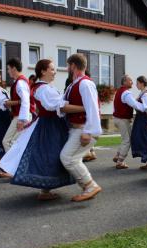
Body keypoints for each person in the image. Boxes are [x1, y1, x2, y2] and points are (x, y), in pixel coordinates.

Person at [0, 59, 85, 200]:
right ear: (43, 71)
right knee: (49, 155)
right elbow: (57, 106)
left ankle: (46, 189)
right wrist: (85, 107)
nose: (55, 71)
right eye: (51, 69)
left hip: (51, 123)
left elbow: (46, 106)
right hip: (50, 125)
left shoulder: (45, 87)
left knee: (51, 155)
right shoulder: (43, 88)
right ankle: (48, 189)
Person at [60, 53, 102, 202]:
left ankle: (90, 186)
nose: (67, 69)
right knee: (71, 158)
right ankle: (87, 186)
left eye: (68, 66)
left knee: (68, 158)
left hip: (83, 128)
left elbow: (93, 108)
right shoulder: (74, 84)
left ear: (73, 66)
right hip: (76, 128)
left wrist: (87, 132)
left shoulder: (85, 83)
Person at [2, 58, 35, 153]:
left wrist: (22, 120)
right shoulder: (20, 81)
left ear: (14, 68)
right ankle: (12, 166)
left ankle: (11, 166)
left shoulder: (20, 82)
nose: (8, 72)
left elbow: (25, 100)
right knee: (13, 142)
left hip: (22, 116)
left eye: (8, 69)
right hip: (22, 115)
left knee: (8, 142)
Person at [112, 75, 145, 169]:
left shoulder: (119, 91)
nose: (132, 82)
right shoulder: (126, 93)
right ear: (125, 82)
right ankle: (120, 161)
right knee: (127, 140)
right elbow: (135, 105)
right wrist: (146, 108)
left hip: (117, 118)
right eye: (130, 80)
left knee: (124, 139)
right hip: (122, 119)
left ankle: (118, 155)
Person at [130, 76, 147, 170]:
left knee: (143, 140)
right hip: (140, 119)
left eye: (137, 83)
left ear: (142, 83)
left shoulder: (145, 95)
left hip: (143, 119)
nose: (136, 85)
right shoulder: (143, 93)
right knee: (141, 139)